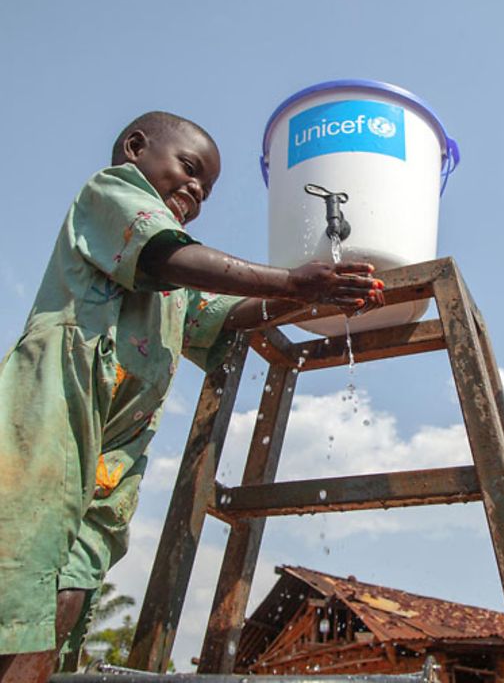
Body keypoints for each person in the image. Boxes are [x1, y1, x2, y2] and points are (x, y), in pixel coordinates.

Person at [0, 111, 384, 683]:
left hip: (116, 449)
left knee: (76, 577)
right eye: (189, 169)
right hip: (56, 410)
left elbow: (227, 316)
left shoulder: (178, 286)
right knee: (25, 563)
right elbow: (167, 255)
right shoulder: (112, 193)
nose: (197, 190)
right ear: (135, 147)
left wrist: (317, 296)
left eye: (206, 188)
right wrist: (291, 281)